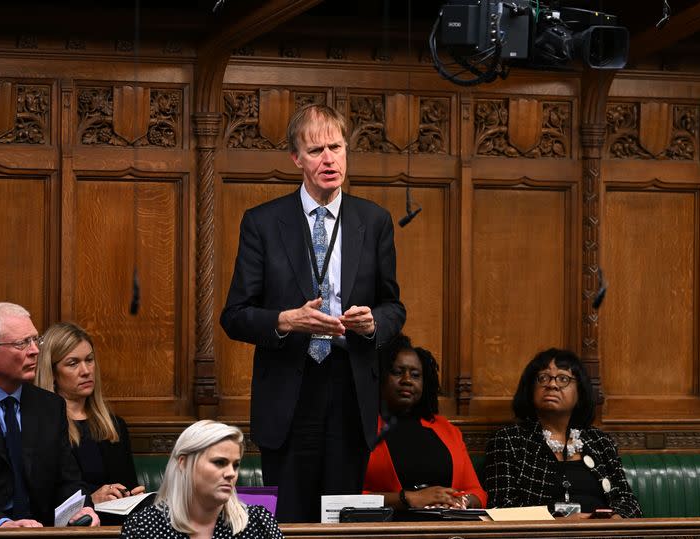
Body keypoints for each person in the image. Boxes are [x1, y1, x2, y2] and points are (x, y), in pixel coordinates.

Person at [220, 103, 406, 522]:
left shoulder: (373, 220)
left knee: (343, 525)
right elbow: (234, 315)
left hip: (350, 391)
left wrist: (375, 322)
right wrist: (287, 321)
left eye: (336, 147)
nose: (329, 159)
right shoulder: (263, 223)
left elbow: (394, 306)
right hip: (289, 394)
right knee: (288, 524)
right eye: (317, 149)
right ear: (296, 158)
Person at [0, 302, 99, 528]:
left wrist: (83, 507)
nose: (35, 350)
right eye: (22, 343)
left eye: (35, 339)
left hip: (44, 532)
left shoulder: (50, 406)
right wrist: (1, 523)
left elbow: (68, 479)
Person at [484, 348, 641, 518]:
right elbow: (501, 507)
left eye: (563, 379)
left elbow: (629, 502)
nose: (552, 385)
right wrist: (559, 521)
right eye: (543, 378)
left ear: (579, 392)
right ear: (530, 389)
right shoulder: (509, 440)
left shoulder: (600, 441)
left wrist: (617, 520)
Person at [363, 335, 486, 511]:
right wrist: (407, 499)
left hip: (448, 529)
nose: (407, 380)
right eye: (398, 372)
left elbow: (477, 492)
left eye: (415, 375)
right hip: (388, 530)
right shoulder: (362, 427)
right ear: (380, 377)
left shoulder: (448, 430)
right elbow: (343, 497)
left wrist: (462, 501)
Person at [35, 321, 144, 518]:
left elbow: (128, 484)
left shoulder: (113, 424)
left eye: (89, 360)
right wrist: (90, 499)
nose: (86, 371)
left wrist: (132, 496)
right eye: (73, 363)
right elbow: (40, 501)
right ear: (52, 373)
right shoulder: (41, 427)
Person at [120, 420, 282, 539]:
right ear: (183, 463)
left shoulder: (258, 523)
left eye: (235, 465)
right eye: (220, 462)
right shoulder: (142, 527)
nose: (231, 473)